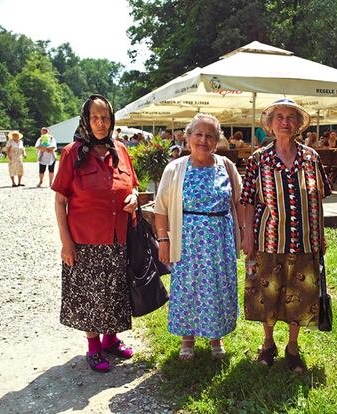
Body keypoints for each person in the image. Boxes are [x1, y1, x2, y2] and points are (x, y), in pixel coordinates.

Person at [241, 98, 332, 373]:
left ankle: (292, 348)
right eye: (278, 117)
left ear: (297, 125)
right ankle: (268, 344)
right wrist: (248, 236)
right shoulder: (259, 159)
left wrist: (321, 234)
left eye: (290, 117)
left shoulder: (311, 157)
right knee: (267, 294)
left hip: (305, 240)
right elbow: (248, 200)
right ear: (270, 125)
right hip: (269, 239)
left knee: (300, 296)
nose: (284, 121)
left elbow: (318, 199)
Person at [51, 95, 139, 373]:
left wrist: (135, 197)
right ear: (86, 120)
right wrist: (66, 243)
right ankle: (93, 346)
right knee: (90, 295)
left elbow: (133, 186)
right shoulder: (72, 153)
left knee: (116, 292)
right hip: (85, 240)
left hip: (119, 237)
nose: (101, 123)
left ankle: (111, 339)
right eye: (95, 118)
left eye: (106, 118)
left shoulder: (121, 150)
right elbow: (60, 200)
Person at [154, 113, 244, 361]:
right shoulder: (174, 169)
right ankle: (188, 338)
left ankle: (217, 337)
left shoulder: (226, 166)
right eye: (199, 134)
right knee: (188, 288)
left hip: (220, 242)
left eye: (210, 136)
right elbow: (160, 209)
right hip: (188, 243)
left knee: (217, 288)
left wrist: (245, 235)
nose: (204, 140)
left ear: (217, 141)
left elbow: (239, 202)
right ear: (188, 137)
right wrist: (163, 241)